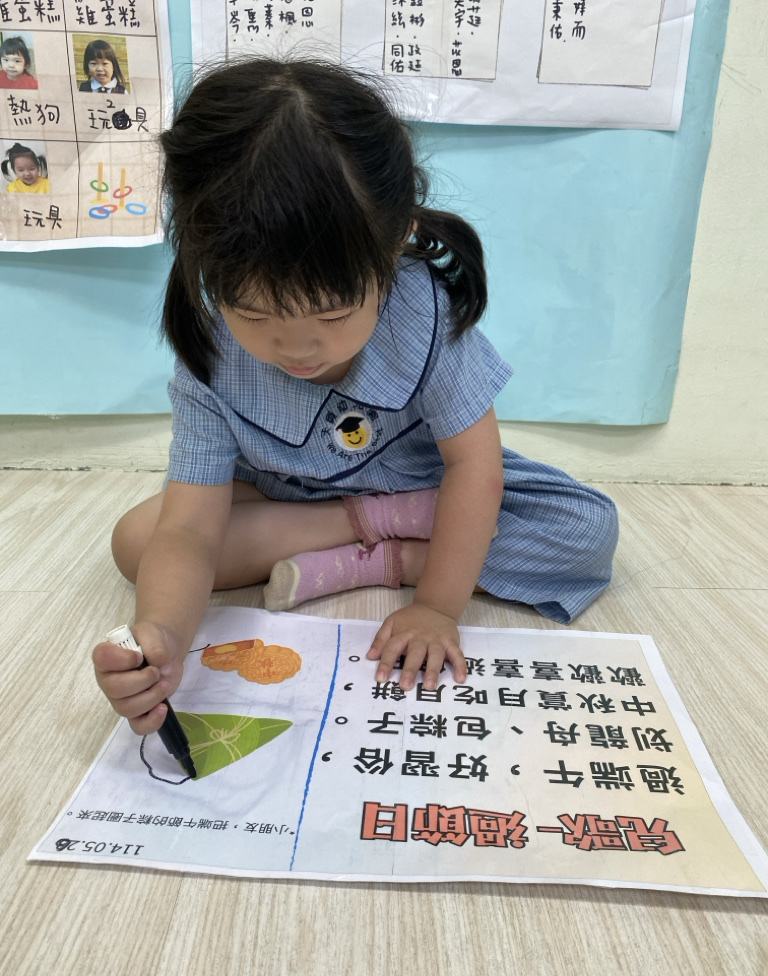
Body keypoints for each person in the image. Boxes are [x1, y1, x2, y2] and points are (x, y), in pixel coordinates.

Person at [93, 58, 619, 737]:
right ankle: (386, 523)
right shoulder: (208, 348)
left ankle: (379, 558)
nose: (298, 349)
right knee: (139, 542)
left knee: (585, 532)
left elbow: (475, 468)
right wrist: (161, 635)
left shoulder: (423, 308)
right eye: (254, 314)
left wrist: (436, 606)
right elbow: (191, 527)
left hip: (425, 481)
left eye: (334, 313)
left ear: (393, 245)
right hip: (286, 496)